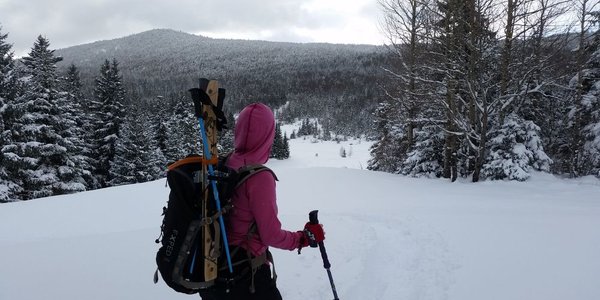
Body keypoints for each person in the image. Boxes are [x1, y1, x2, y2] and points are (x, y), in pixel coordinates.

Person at [199, 103, 325, 300]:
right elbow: (270, 235)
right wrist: (303, 238)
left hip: (213, 267)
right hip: (246, 275)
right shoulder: (259, 177)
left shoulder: (225, 162)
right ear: (267, 136)